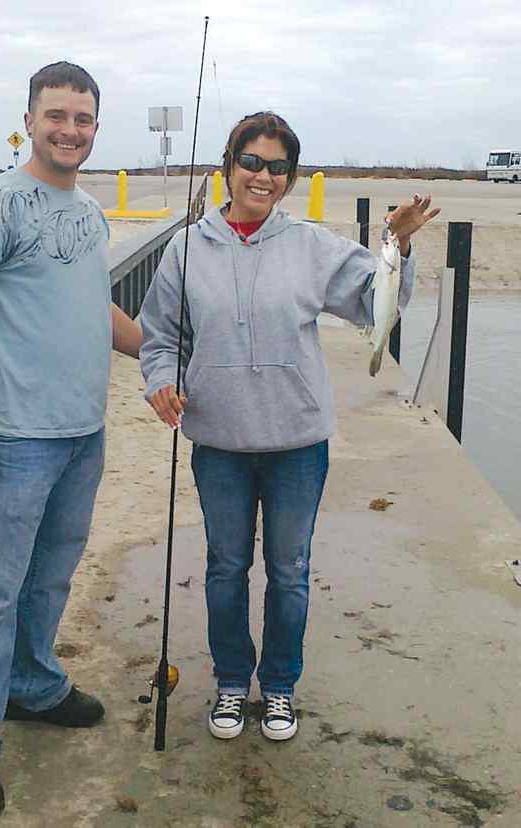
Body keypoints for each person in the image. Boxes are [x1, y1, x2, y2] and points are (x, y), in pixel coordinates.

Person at [140, 111, 439, 743]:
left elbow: (376, 298)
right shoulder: (185, 249)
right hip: (219, 443)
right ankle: (231, 680)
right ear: (228, 167)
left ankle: (279, 686)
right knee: (225, 569)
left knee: (289, 572)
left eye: (278, 167)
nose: (263, 176)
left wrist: (400, 246)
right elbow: (161, 336)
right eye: (251, 161)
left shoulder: (311, 245)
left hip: (298, 446)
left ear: (290, 178)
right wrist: (161, 380)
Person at [0, 61, 142, 817]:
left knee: (50, 579)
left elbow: (94, 306)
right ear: (29, 121)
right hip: (12, 440)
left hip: (83, 433)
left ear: (95, 127)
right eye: (56, 115)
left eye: (83, 119)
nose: (70, 130)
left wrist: (159, 351)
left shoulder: (88, 211)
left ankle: (30, 686)